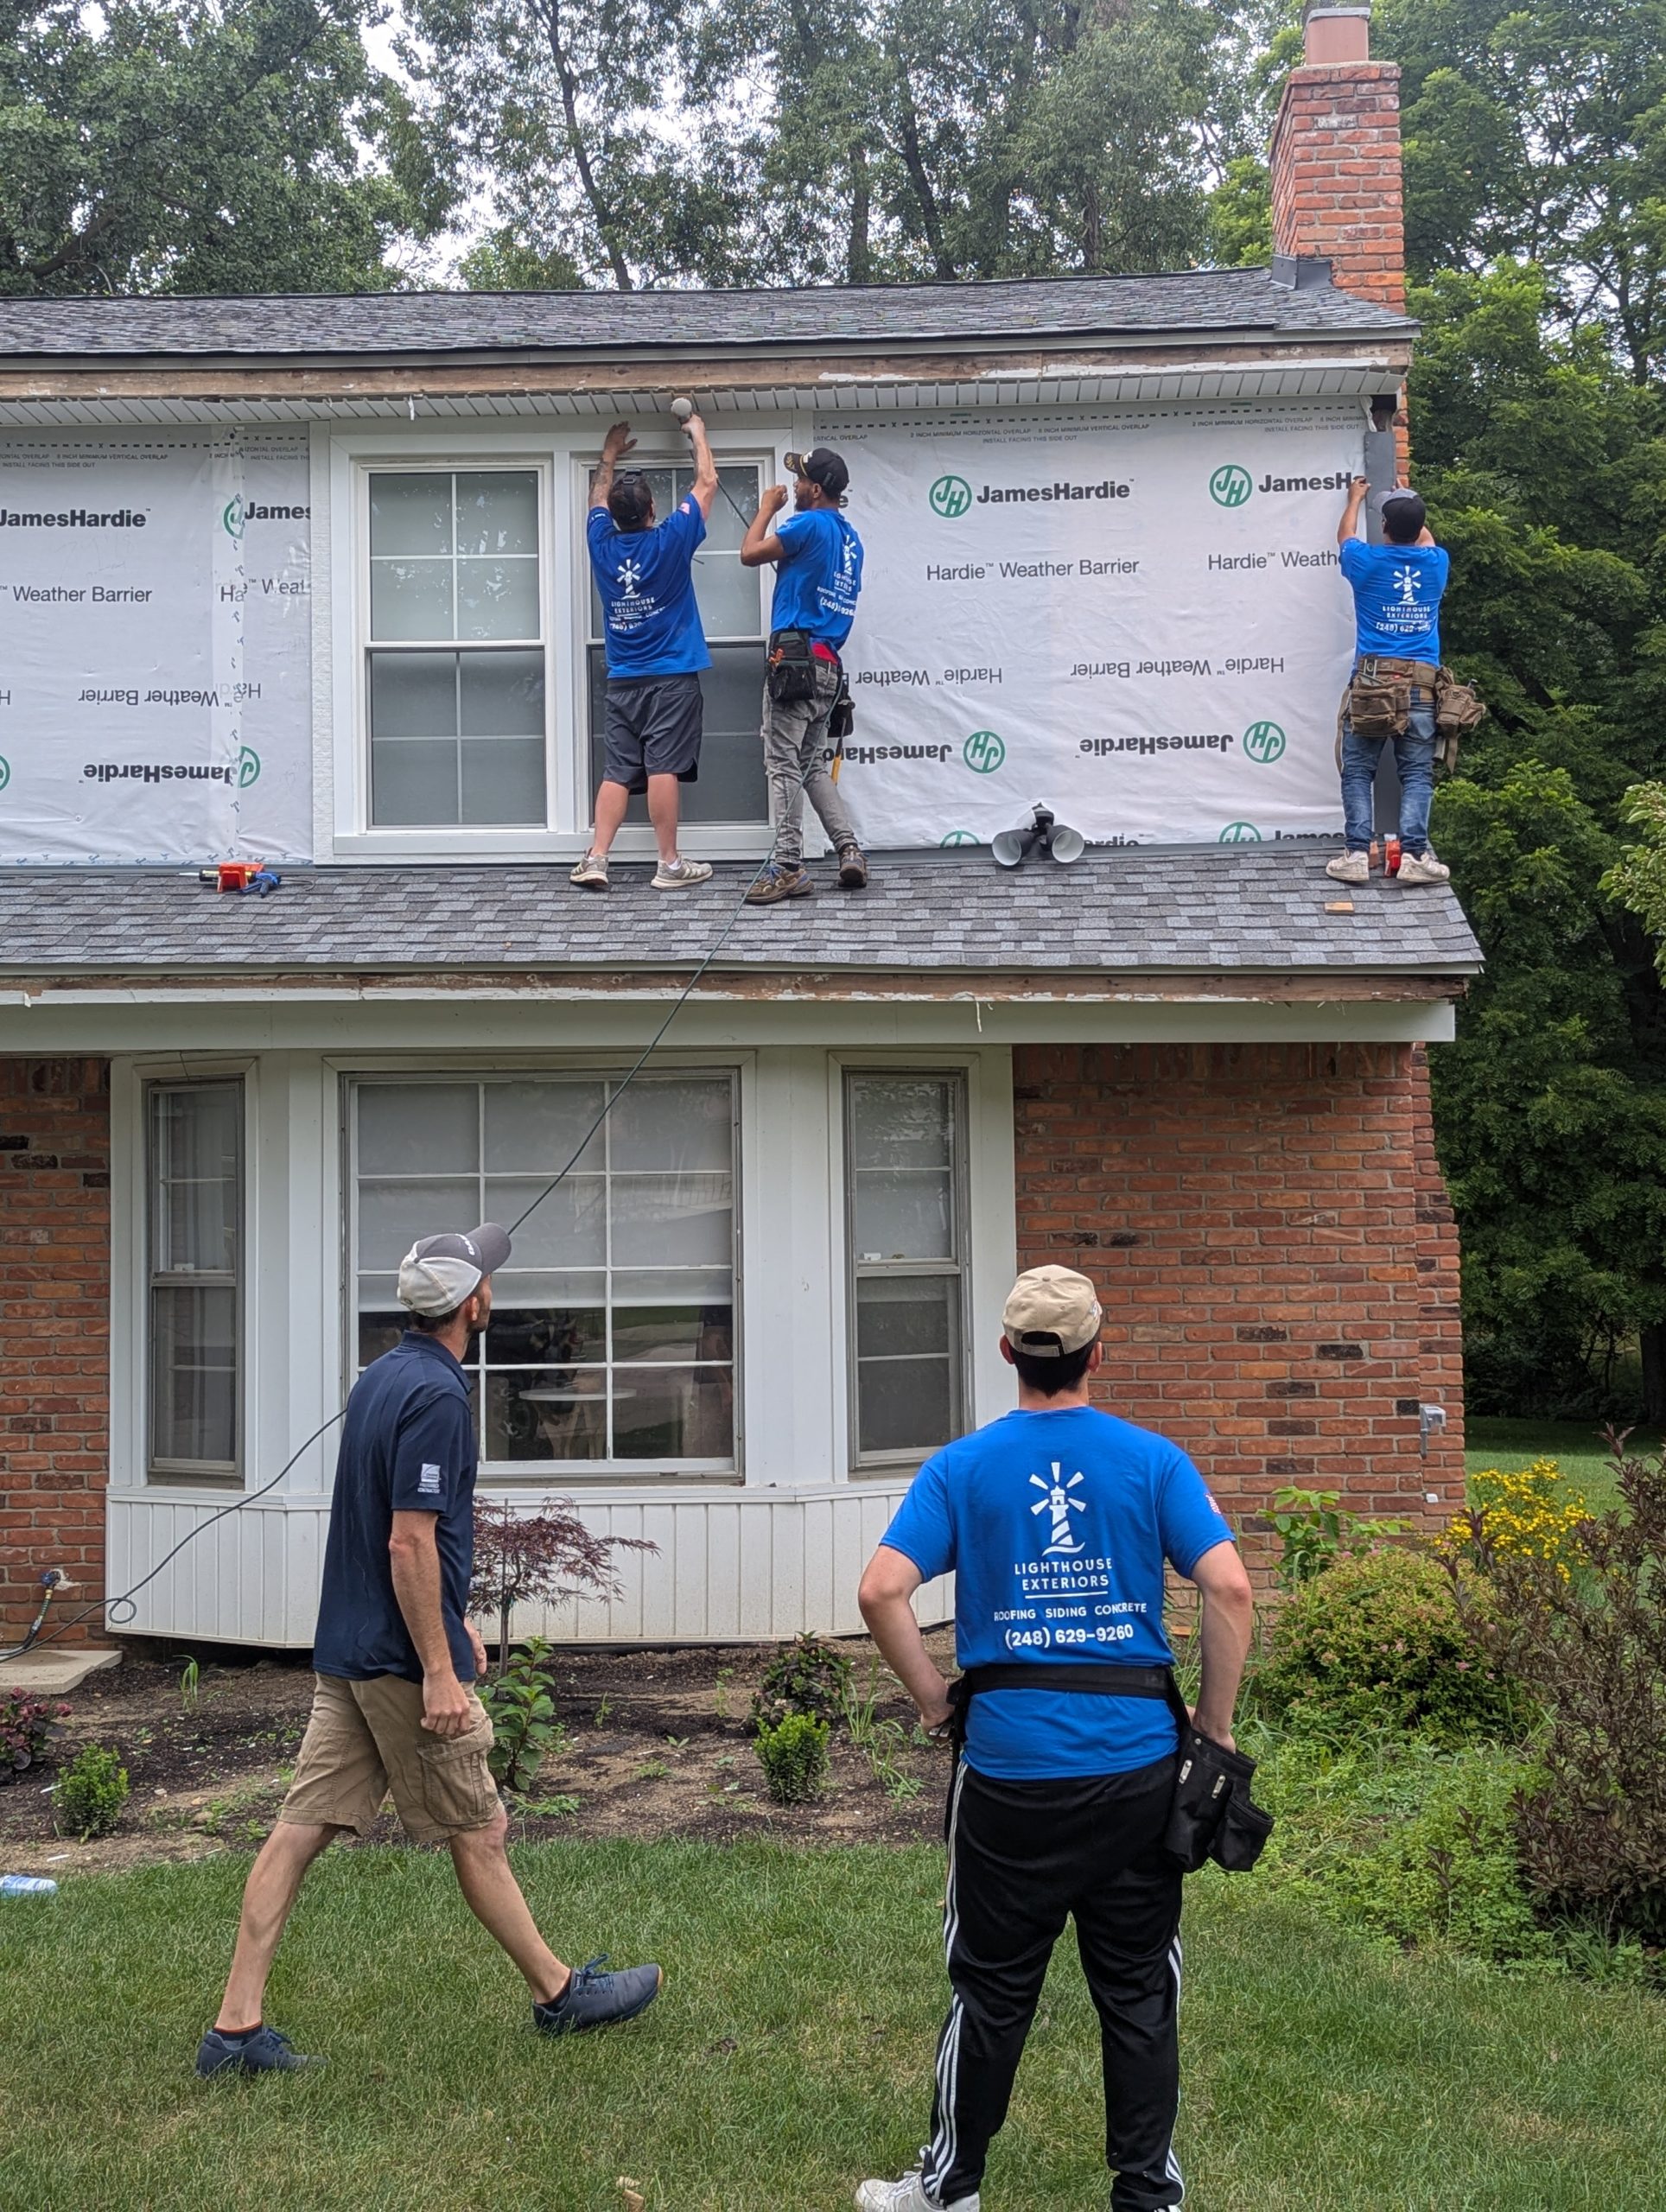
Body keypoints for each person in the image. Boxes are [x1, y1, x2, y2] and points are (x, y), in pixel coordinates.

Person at [194, 1224, 661, 2077]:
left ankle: (232, 2033)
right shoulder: (440, 1396)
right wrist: (438, 1668)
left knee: (299, 1830)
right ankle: (559, 1996)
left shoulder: (382, 1375)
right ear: (470, 1303)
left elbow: (398, 1530)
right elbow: (407, 1543)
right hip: (400, 1669)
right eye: (488, 1278)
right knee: (480, 1829)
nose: (495, 1287)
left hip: (351, 1647)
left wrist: (453, 1619)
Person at [853, 1266, 1254, 2212]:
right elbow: (1230, 1589)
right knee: (1138, 1991)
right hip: (1138, 1774)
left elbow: (879, 1590)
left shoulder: (960, 1466)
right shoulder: (1151, 1460)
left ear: (1006, 1355)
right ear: (1095, 1353)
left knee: (989, 1989)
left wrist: (929, 1699)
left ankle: (948, 2190)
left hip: (1008, 1778)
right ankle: (1147, 2195)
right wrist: (1213, 1728)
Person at [572, 415, 718, 893]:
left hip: (623, 679)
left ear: (614, 516)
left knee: (618, 770)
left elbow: (596, 497)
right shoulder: (672, 539)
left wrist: (610, 452)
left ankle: (597, 858)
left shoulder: (600, 542)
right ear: (653, 508)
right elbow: (707, 482)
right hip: (672, 677)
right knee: (662, 767)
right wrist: (696, 430)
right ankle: (669, 865)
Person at [739, 445, 868, 904]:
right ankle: (849, 848)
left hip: (795, 661)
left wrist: (765, 510)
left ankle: (788, 865)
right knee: (811, 764)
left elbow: (750, 553)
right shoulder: (851, 540)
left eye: (800, 480)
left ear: (816, 489)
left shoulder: (808, 522)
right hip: (830, 666)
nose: (793, 485)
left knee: (781, 762)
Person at [1326, 477, 1453, 888]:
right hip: (1421, 687)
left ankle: (1357, 854)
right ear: (1419, 528)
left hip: (1372, 683)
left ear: (1383, 527)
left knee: (1358, 771)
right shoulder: (1436, 564)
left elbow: (1345, 535)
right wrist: (1408, 498)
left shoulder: (1367, 562)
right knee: (1416, 774)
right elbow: (1425, 537)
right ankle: (1415, 854)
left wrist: (1354, 499)